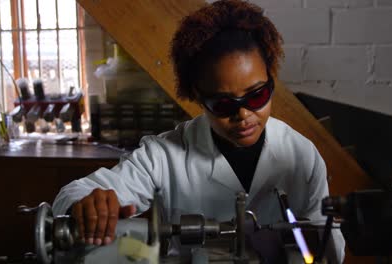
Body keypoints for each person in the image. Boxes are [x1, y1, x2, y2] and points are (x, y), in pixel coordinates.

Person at [53, 0, 345, 262]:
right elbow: (70, 196)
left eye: (256, 96)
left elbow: (329, 247)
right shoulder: (163, 156)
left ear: (271, 80)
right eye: (222, 103)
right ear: (198, 96)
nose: (243, 115)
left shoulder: (301, 154)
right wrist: (89, 204)